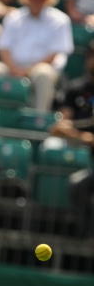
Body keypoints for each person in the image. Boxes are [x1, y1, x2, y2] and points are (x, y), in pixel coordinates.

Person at [0, 0, 74, 112]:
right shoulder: (14, 17)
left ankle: (38, 120)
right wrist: (14, 69)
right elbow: (3, 48)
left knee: (44, 74)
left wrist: (28, 71)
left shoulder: (60, 20)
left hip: (41, 68)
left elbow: (53, 55)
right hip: (14, 66)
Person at [49, 42, 94, 236]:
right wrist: (85, 137)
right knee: (78, 184)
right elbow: (59, 128)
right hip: (81, 150)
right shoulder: (75, 88)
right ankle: (86, 236)